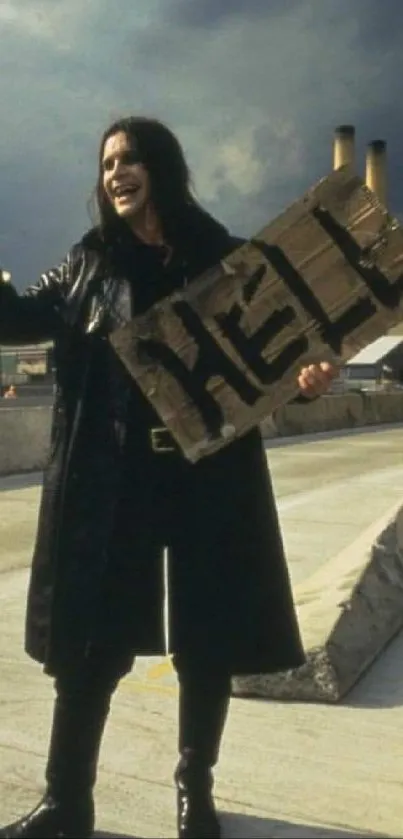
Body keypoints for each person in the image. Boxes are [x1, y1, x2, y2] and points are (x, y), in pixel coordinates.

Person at [0, 116, 336, 839]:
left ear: (160, 166)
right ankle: (67, 802)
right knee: (89, 644)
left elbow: (289, 354)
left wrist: (306, 379)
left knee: (205, 639)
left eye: (129, 159)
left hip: (203, 473)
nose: (116, 172)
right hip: (111, 477)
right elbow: (16, 314)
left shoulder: (225, 258)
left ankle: (194, 792)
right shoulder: (87, 265)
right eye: (106, 163)